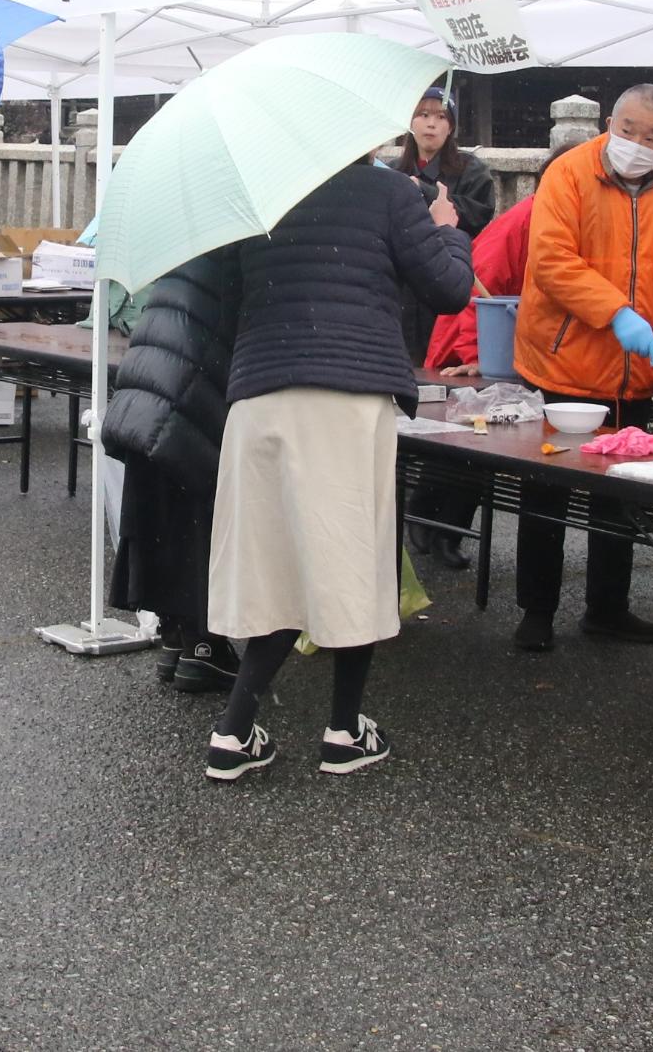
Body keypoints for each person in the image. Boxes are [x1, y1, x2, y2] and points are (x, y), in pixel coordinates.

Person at [204, 156, 472, 781]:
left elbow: (223, 303)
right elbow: (449, 289)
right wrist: (445, 227)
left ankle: (233, 733)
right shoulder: (388, 192)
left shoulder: (257, 196)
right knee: (352, 560)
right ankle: (344, 732)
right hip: (348, 396)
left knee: (271, 563)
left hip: (260, 395)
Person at [508, 85, 653, 652]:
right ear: (610, 123)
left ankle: (608, 607)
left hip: (634, 370)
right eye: (630, 130)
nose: (638, 144)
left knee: (620, 493)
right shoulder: (568, 173)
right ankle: (536, 611)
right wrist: (616, 311)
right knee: (545, 489)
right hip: (560, 361)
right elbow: (551, 261)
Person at [406, 154, 560, 571]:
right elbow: (477, 287)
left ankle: (445, 531)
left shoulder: (559, 218)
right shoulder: (526, 220)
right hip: (469, 342)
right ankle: (426, 520)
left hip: (500, 343)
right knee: (458, 442)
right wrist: (476, 356)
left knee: (477, 446)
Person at [102, 250, 242, 691]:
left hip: (154, 383)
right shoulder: (242, 248)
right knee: (198, 516)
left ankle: (177, 639)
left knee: (163, 512)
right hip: (186, 389)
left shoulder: (194, 243)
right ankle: (205, 645)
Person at [393, 86, 495, 361]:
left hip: (448, 273)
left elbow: (477, 214)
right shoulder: (393, 171)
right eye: (423, 114)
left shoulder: (471, 169)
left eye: (440, 116)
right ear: (410, 121)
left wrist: (423, 193)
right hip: (402, 283)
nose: (431, 123)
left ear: (451, 127)